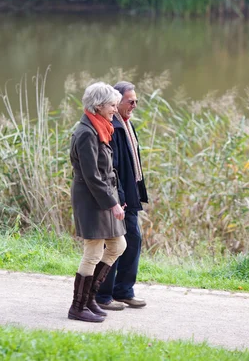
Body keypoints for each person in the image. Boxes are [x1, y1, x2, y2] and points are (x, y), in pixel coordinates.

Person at [68, 82, 127, 323]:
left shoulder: (100, 127)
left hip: (103, 196)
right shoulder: (85, 133)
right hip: (91, 200)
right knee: (92, 252)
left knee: (118, 245)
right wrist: (111, 202)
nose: (115, 109)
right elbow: (91, 175)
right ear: (99, 106)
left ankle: (90, 298)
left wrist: (115, 198)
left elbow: (106, 171)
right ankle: (77, 306)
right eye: (112, 105)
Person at [96, 81, 149, 311]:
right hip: (121, 197)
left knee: (132, 240)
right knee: (118, 243)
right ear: (117, 103)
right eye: (131, 101)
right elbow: (113, 168)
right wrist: (119, 198)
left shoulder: (127, 125)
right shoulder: (114, 129)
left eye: (136, 101)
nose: (135, 105)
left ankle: (122, 291)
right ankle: (104, 294)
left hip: (131, 195)